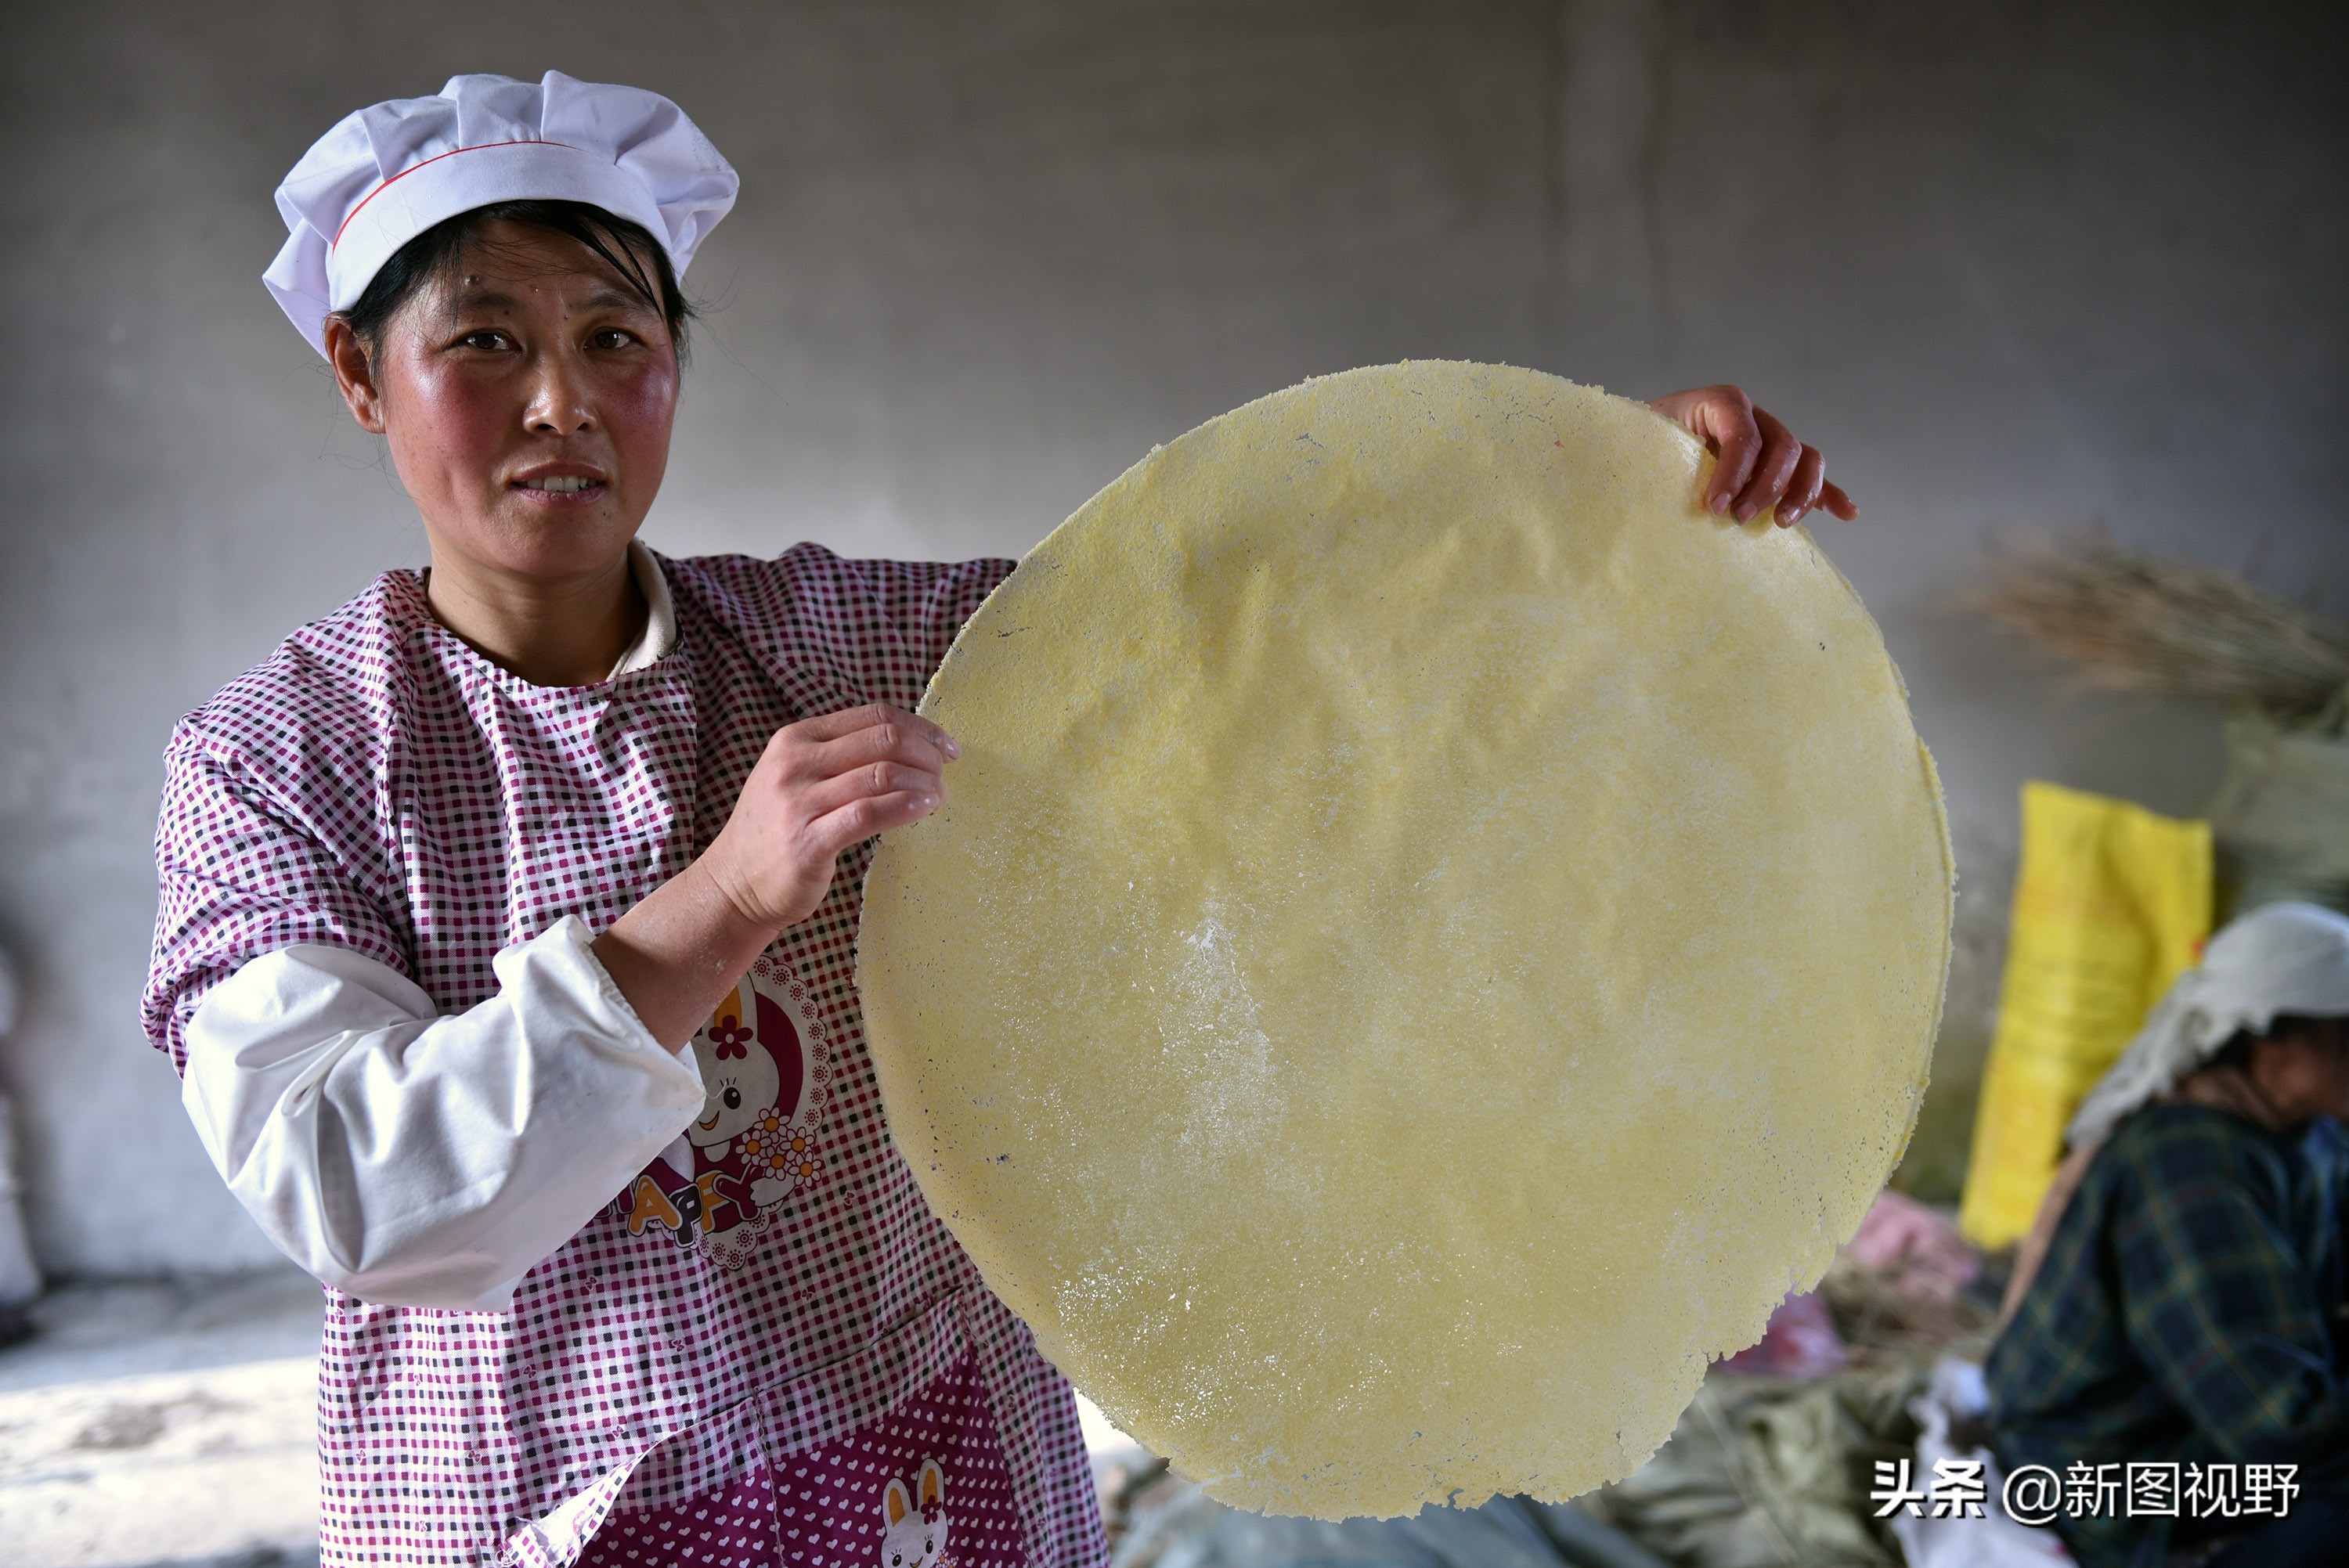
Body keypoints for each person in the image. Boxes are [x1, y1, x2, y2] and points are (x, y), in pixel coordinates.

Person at [143, 70, 1859, 1568]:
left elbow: (1225, 634)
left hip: (922, 1454)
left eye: (617, 339)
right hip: (551, 1501)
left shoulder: (835, 642)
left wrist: (1583, 485)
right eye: (485, 344)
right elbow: (352, 1188)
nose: (560, 402)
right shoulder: (277, 764)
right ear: (362, 377)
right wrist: (727, 900)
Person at [1987, 901, 2349, 1568]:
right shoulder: (2188, 1164)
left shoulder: (2310, 1131)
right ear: (2275, 1045)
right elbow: (2279, 1429)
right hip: (2111, 1468)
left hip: (2202, 1422)